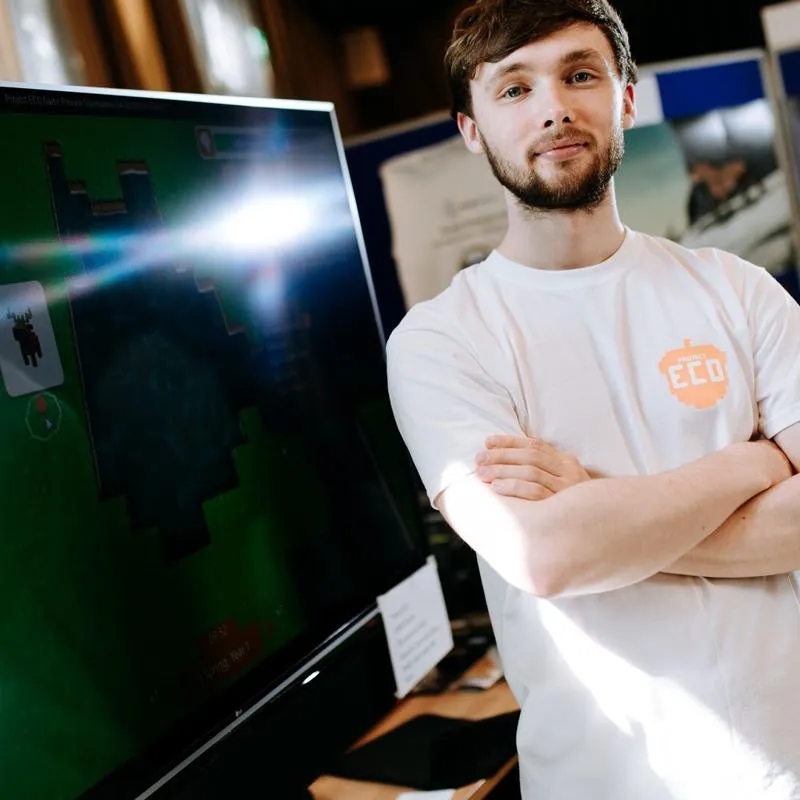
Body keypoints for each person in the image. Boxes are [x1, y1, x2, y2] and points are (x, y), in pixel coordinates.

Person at [385, 1, 800, 797]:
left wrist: (600, 512)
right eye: (513, 89)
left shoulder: (738, 291)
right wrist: (758, 460)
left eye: (581, 74)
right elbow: (549, 555)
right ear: (471, 129)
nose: (553, 108)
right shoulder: (441, 341)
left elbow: (583, 547)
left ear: (627, 99)